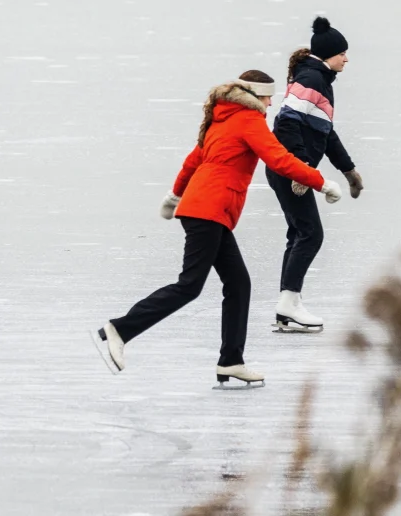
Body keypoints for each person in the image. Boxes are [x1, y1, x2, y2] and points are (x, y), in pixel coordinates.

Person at [95, 71, 343, 387]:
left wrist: (174, 196)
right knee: (189, 285)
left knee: (238, 285)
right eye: (267, 96)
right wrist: (321, 182)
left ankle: (231, 362)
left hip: (207, 210)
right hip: (209, 211)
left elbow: (193, 161)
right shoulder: (249, 120)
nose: (270, 102)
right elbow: (279, 158)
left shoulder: (222, 119)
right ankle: (120, 329)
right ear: (254, 95)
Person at [267, 17, 364, 333]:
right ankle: (288, 304)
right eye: (343, 53)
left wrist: (348, 170)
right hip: (289, 169)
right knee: (310, 234)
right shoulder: (312, 79)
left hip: (287, 168)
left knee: (299, 233)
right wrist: (302, 168)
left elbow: (325, 133)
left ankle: (288, 306)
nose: (346, 59)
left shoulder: (318, 79)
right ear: (329, 54)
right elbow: (286, 123)